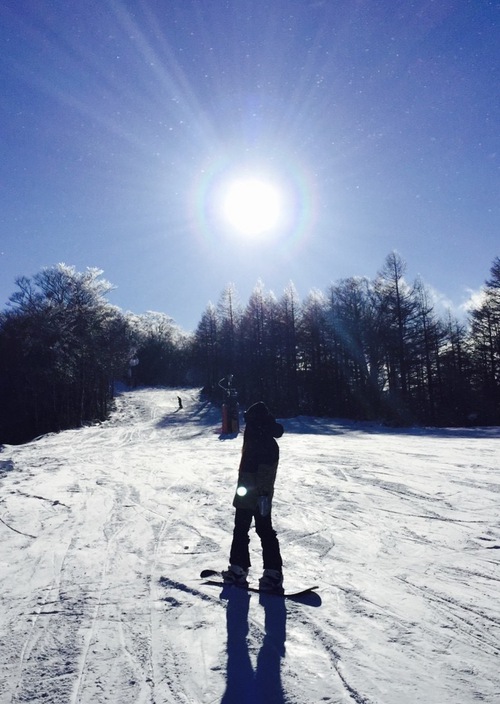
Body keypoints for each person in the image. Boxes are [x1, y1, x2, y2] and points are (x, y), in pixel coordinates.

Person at [222, 401, 285, 592]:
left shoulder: (264, 441)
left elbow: (266, 472)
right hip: (247, 491)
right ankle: (238, 568)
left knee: (262, 530)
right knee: (242, 529)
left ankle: (272, 573)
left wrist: (262, 495)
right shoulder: (256, 437)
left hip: (257, 494)